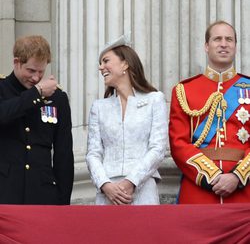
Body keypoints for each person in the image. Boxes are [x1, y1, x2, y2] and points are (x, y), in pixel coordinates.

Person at [169, 20, 250, 204]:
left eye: (229, 39)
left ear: (235, 46)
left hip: (244, 191)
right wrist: (211, 176)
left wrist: (237, 176)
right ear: (206, 46)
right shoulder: (184, 90)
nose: (223, 44)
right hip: (199, 190)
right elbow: (178, 143)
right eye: (217, 39)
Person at [86, 35, 168, 205]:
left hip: (143, 189)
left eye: (106, 61)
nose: (101, 67)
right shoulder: (99, 107)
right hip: (107, 193)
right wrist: (105, 184)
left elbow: (158, 149)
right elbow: (93, 153)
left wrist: (131, 181)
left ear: (124, 63)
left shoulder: (155, 99)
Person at [0, 35, 74, 204]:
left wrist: (63, 203)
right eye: (31, 71)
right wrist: (37, 93)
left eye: (41, 72)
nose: (36, 78)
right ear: (17, 62)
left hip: (42, 194)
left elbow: (63, 154)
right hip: (5, 192)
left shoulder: (58, 98)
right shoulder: (2, 89)